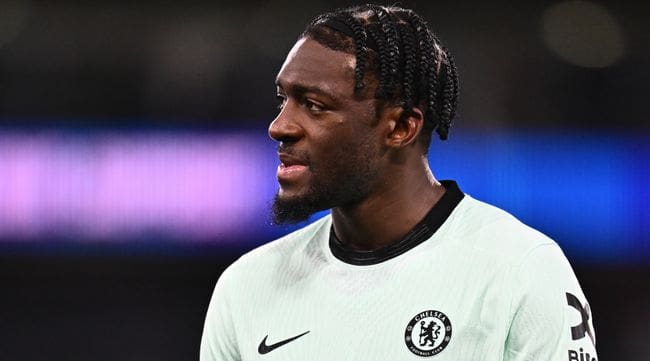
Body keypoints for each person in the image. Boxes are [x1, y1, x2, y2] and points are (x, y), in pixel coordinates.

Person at [201, 4, 598, 360]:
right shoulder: (246, 286)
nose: (279, 126)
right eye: (283, 100)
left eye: (314, 105)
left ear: (402, 127)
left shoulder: (521, 268)